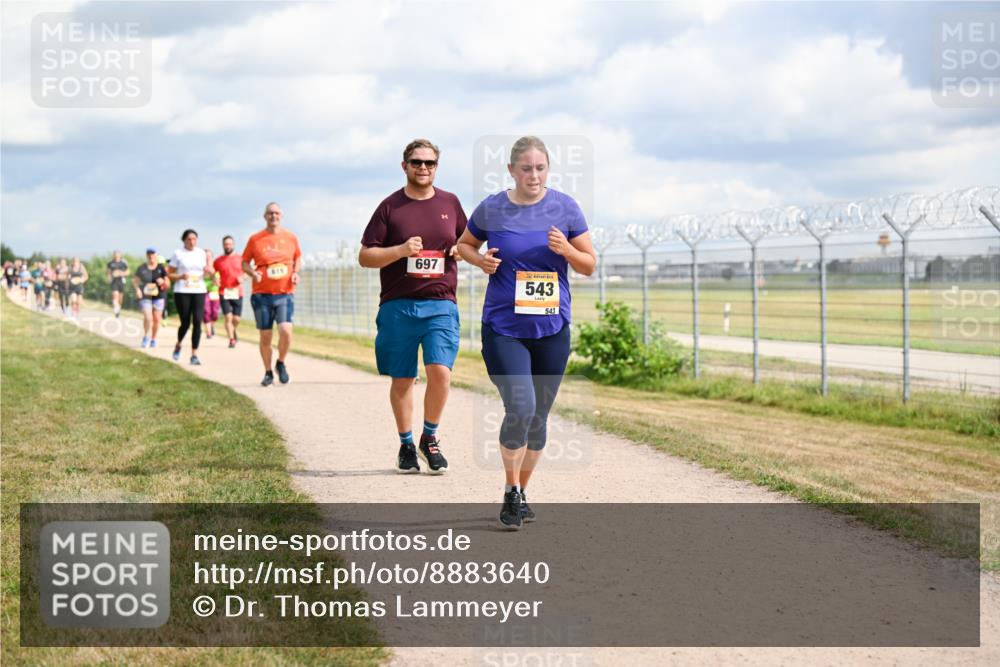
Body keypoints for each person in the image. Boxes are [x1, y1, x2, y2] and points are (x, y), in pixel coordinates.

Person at [456, 136, 596, 530]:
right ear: (511, 171)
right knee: (521, 408)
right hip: (504, 328)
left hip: (552, 329)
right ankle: (509, 488)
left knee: (539, 418)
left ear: (548, 169)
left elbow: (588, 265)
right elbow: (462, 246)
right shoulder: (493, 208)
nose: (533, 175)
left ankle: (521, 491)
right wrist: (481, 260)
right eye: (525, 168)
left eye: (540, 168)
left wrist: (566, 250)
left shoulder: (566, 208)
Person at [359, 138, 466, 475]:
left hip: (440, 304)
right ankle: (406, 444)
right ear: (404, 166)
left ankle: (429, 438)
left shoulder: (450, 202)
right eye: (417, 162)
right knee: (403, 379)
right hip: (398, 306)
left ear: (437, 167)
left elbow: (467, 242)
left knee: (441, 373)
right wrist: (400, 250)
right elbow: (365, 256)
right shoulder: (390, 207)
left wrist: (461, 251)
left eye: (430, 163)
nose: (423, 168)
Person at [242, 202, 302, 386]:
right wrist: (253, 273)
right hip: (262, 295)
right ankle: (268, 372)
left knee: (286, 331)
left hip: (284, 293)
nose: (273, 216)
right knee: (266, 335)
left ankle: (280, 363)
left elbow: (297, 257)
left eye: (276, 213)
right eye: (270, 213)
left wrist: (295, 273)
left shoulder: (291, 237)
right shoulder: (255, 239)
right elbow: (244, 262)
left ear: (281, 216)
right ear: (265, 216)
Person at [167, 229, 211, 365]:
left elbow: (207, 274)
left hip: (199, 290)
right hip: (182, 291)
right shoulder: (178, 254)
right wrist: (180, 276)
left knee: (197, 321)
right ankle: (179, 344)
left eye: (194, 239)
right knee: (185, 323)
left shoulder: (201, 253)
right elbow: (169, 274)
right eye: (189, 239)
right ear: (184, 240)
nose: (192, 242)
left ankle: (194, 355)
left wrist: (208, 272)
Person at [133, 247, 169, 348]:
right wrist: (137, 290)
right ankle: (146, 336)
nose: (151, 256)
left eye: (152, 254)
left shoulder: (161, 268)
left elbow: (168, 283)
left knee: (157, 319)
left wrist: (164, 282)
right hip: (146, 296)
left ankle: (153, 338)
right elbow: (135, 281)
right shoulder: (142, 268)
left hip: (159, 296)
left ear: (156, 255)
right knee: (148, 318)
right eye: (149, 254)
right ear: (146, 256)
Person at [214, 235, 245, 348]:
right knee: (228, 317)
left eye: (230, 244)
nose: (228, 246)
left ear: (233, 245)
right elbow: (213, 273)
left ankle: (233, 331)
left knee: (236, 319)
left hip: (237, 291)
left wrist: (243, 277)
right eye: (226, 244)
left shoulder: (240, 259)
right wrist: (215, 279)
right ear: (223, 245)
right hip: (224, 291)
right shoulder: (218, 261)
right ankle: (231, 339)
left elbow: (247, 272)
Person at [203, 253, 221, 339]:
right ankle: (208, 333)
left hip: (214, 292)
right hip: (203, 292)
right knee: (206, 312)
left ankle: (211, 325)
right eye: (205, 256)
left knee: (215, 314)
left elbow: (217, 283)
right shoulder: (199, 268)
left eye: (209, 257)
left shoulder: (216, 267)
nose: (207, 258)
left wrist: (212, 274)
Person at [106, 250, 129, 317]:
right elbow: (108, 272)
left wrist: (120, 273)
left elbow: (128, 272)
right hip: (114, 282)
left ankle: (118, 308)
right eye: (115, 254)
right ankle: (116, 307)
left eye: (117, 255)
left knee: (120, 298)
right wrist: (109, 278)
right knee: (115, 295)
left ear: (120, 255)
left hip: (121, 281)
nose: (116, 256)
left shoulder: (124, 263)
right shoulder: (110, 263)